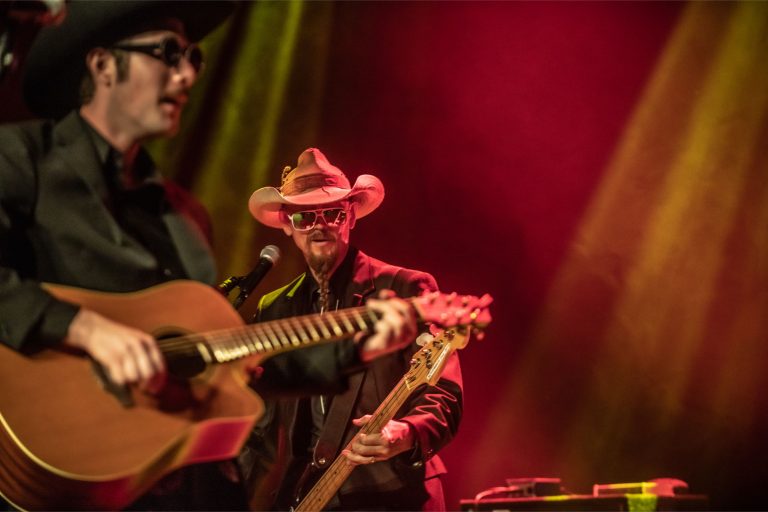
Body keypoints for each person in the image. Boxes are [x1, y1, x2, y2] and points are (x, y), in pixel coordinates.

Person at [0, 3, 418, 509]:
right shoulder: (21, 160)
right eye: (167, 54)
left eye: (194, 58)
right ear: (102, 66)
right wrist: (85, 328)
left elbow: (229, 369)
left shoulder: (185, 218)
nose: (187, 73)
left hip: (173, 482)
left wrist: (359, 348)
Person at [241, 148, 464, 511]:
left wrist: (403, 434)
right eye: (304, 217)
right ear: (286, 225)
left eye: (331, 213)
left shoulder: (406, 288)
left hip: (393, 495)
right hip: (308, 495)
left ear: (350, 218)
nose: (319, 225)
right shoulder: (275, 308)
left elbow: (444, 395)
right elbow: (259, 424)